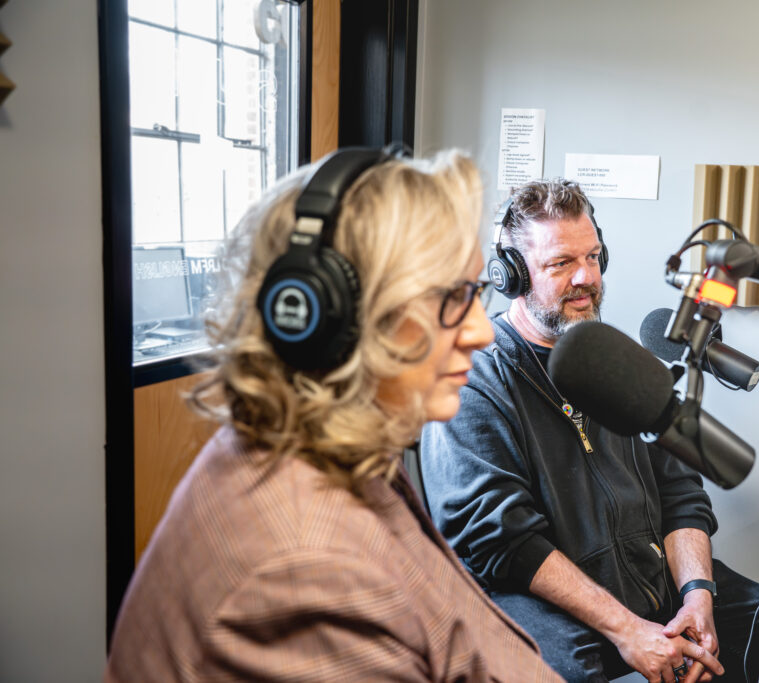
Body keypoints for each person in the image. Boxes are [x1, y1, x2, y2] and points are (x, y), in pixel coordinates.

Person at [106, 148, 561, 682]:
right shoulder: (303, 572)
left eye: (475, 292)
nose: (481, 330)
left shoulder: (330, 455)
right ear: (337, 320)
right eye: (453, 297)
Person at [419, 178, 759, 683]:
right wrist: (628, 630)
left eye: (593, 256)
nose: (586, 277)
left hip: (653, 582)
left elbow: (680, 487)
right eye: (561, 263)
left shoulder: (607, 358)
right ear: (513, 275)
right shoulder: (474, 379)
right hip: (550, 605)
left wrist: (698, 596)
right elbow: (501, 540)